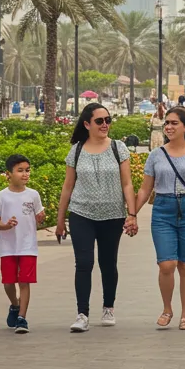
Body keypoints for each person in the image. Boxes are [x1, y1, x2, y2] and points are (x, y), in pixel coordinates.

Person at [55, 103, 138, 333]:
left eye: (108, 120)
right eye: (99, 121)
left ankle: (108, 307)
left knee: (108, 263)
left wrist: (132, 214)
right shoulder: (77, 150)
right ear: (87, 124)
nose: (105, 125)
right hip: (82, 213)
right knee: (84, 263)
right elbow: (67, 186)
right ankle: (82, 314)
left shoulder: (118, 148)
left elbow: (127, 183)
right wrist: (60, 219)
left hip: (113, 215)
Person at [132, 105, 185, 330]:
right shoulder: (156, 155)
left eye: (174, 123)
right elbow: (144, 189)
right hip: (163, 209)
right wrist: (132, 215)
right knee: (167, 264)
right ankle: (167, 308)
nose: (168, 127)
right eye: (166, 123)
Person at [0, 154, 45, 334]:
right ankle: (14, 305)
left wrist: (41, 218)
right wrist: (5, 226)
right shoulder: (1, 196)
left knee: (24, 281)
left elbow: (39, 217)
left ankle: (22, 318)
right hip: (7, 247)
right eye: (20, 170)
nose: (25, 174)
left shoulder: (33, 195)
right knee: (8, 281)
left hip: (28, 246)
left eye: (27, 170)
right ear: (8, 174)